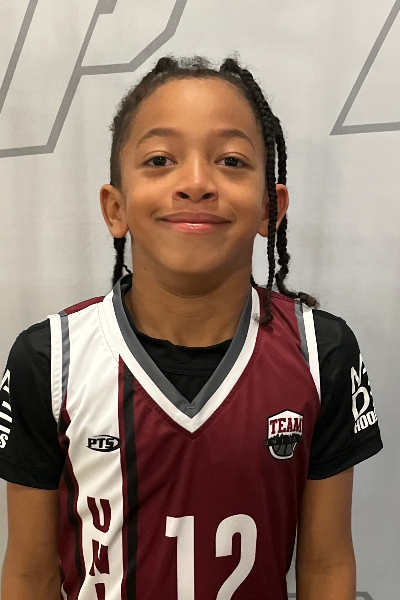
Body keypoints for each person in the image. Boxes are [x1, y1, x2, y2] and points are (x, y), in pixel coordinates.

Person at [0, 55, 382, 600]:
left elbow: (325, 567)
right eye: (160, 160)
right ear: (115, 208)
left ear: (270, 209)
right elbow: (30, 574)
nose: (197, 183)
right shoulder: (49, 360)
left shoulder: (323, 352)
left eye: (231, 160)